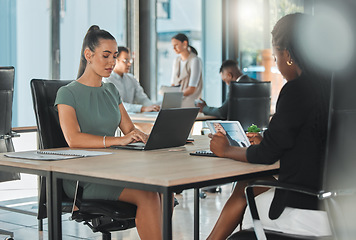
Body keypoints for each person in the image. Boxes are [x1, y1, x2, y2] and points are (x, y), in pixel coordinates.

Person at [207, 13, 331, 239]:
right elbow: (309, 142)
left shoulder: (297, 89)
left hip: (305, 210)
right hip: (338, 207)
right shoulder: (335, 88)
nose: (277, 63)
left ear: (288, 55)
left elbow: (265, 155)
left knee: (242, 225)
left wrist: (226, 150)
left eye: (275, 57)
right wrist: (270, 141)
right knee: (248, 182)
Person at [55, 25, 169, 240]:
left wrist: (146, 137)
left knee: (167, 194)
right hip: (83, 177)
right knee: (149, 196)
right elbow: (73, 139)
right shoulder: (67, 93)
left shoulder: (111, 91)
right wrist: (118, 139)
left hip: (112, 169)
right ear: (88, 55)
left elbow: (129, 130)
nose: (111, 62)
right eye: (105, 55)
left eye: (114, 56)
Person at [103, 46, 160, 113]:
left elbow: (142, 99)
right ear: (115, 61)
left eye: (130, 60)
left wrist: (153, 107)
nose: (129, 64)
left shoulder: (131, 79)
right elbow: (117, 105)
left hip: (132, 117)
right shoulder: (106, 80)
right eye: (125, 60)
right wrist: (142, 109)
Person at [170, 33, 203, 108]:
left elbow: (192, 89)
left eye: (176, 45)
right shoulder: (176, 61)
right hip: (178, 98)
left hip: (190, 99)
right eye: (173, 46)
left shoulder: (195, 60)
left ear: (185, 44)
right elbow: (173, 84)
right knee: (157, 105)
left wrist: (175, 96)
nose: (174, 48)